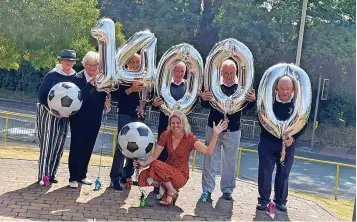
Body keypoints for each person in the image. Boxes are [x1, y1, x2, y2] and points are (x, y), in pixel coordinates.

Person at [134, 110, 228, 206]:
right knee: (143, 177)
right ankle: (167, 189)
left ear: (184, 123)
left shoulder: (190, 138)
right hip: (165, 172)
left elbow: (208, 152)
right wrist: (143, 164)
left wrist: (215, 134)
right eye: (173, 123)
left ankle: (170, 191)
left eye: (178, 123)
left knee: (155, 164)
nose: (175, 126)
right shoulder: (166, 135)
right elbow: (154, 156)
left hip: (180, 175)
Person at [199, 59, 256, 201]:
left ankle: (227, 190)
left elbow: (247, 109)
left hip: (233, 129)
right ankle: (207, 190)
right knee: (210, 159)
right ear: (221, 73)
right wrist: (203, 98)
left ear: (236, 73)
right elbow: (206, 106)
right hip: (213, 128)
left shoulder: (242, 88)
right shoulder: (214, 86)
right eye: (226, 73)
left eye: (231, 73)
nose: (229, 76)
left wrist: (252, 100)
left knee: (230, 161)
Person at [37, 49, 94, 186]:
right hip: (49, 113)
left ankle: (51, 174)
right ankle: (43, 175)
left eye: (71, 60)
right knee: (48, 144)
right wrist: (53, 111)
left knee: (59, 145)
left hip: (65, 115)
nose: (68, 62)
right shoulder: (52, 75)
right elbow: (41, 95)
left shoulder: (75, 77)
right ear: (60, 60)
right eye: (66, 60)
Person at [256, 75, 305, 212]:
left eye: (288, 89)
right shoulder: (269, 101)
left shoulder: (298, 104)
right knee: (265, 172)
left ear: (293, 89)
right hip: (268, 142)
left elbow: (304, 123)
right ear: (276, 88)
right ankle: (263, 201)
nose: (285, 92)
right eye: (282, 88)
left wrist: (293, 138)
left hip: (288, 144)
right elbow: (261, 118)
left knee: (284, 173)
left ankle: (281, 201)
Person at [68, 51, 110, 188]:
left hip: (95, 118)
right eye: (89, 65)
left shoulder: (102, 79)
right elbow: (81, 97)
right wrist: (91, 83)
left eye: (95, 65)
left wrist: (107, 101)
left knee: (88, 146)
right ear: (84, 64)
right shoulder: (77, 78)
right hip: (79, 118)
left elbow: (104, 97)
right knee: (77, 146)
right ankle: (73, 177)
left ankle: (82, 175)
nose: (92, 68)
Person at [109, 53, 145, 190]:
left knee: (136, 147)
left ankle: (127, 175)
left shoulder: (144, 77)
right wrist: (131, 90)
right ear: (127, 63)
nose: (136, 64)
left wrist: (145, 103)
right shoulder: (122, 77)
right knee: (121, 146)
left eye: (138, 62)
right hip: (125, 115)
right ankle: (115, 177)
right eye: (133, 61)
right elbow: (115, 96)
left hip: (139, 116)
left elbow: (150, 97)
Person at [151, 61, 187, 193]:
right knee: (162, 153)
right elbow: (153, 103)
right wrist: (154, 103)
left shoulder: (188, 87)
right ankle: (158, 183)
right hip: (164, 125)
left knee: (176, 156)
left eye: (182, 71)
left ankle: (172, 184)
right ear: (172, 71)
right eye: (177, 71)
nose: (179, 74)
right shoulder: (163, 85)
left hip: (180, 129)